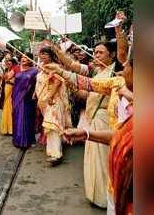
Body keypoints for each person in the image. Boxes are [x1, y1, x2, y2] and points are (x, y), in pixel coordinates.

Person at [49, 40, 119, 207]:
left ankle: (105, 200)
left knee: (103, 160)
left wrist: (63, 73)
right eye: (95, 52)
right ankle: (95, 195)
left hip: (104, 121)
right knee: (93, 158)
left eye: (100, 52)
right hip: (93, 119)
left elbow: (88, 84)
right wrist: (58, 52)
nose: (95, 55)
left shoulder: (116, 73)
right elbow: (74, 68)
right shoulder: (97, 70)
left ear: (113, 55)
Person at [35, 47, 71, 164]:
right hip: (43, 100)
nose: (42, 56)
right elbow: (40, 83)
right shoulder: (41, 67)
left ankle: (56, 155)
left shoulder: (56, 67)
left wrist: (50, 97)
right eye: (41, 54)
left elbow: (57, 82)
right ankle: (55, 150)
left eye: (45, 54)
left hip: (54, 100)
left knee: (52, 125)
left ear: (51, 55)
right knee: (51, 125)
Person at [12, 53, 38, 148]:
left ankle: (29, 140)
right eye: (22, 57)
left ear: (31, 60)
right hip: (16, 96)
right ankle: (18, 140)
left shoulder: (35, 71)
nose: (23, 59)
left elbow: (38, 84)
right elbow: (7, 77)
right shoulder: (16, 68)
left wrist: (35, 94)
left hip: (28, 98)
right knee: (17, 117)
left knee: (28, 118)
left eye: (26, 58)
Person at [0, 58, 17, 135]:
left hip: (13, 88)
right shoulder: (6, 70)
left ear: (13, 63)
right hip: (6, 88)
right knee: (6, 106)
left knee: (10, 106)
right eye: (7, 62)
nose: (8, 63)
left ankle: (11, 128)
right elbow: (4, 79)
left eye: (10, 62)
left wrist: (6, 78)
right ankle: (6, 128)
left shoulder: (15, 70)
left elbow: (9, 78)